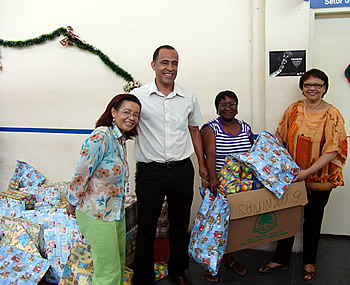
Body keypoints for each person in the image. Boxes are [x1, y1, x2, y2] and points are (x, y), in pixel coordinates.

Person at [258, 68, 348, 281]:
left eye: (318, 85)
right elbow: (280, 136)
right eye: (308, 85)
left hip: (320, 177)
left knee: (313, 219)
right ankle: (281, 258)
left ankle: (309, 261)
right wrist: (276, 160)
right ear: (302, 88)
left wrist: (307, 173)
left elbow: (334, 149)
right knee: (287, 217)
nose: (312, 89)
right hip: (291, 176)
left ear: (324, 88)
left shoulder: (332, 114)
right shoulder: (294, 109)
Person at [130, 45, 208, 285]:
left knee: (180, 225)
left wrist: (203, 165)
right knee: (146, 227)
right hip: (150, 172)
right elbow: (125, 123)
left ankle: (178, 271)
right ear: (153, 65)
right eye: (165, 62)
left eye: (174, 63)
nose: (170, 68)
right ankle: (143, 277)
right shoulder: (138, 96)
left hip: (182, 170)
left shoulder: (188, 96)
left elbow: (194, 130)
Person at [66, 94, 141, 285]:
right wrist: (71, 203)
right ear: (113, 112)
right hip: (97, 215)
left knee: (117, 264)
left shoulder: (119, 139)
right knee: (108, 272)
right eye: (126, 112)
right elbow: (81, 173)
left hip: (115, 213)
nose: (131, 118)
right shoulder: (101, 137)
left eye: (136, 114)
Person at [201, 90, 254, 282]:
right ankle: (211, 264)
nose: (228, 108)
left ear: (237, 107)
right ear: (217, 109)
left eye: (232, 104)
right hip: (220, 183)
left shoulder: (246, 127)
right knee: (216, 225)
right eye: (223, 105)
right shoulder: (211, 128)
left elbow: (251, 154)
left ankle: (229, 258)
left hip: (241, 184)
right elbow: (211, 155)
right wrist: (213, 179)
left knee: (234, 224)